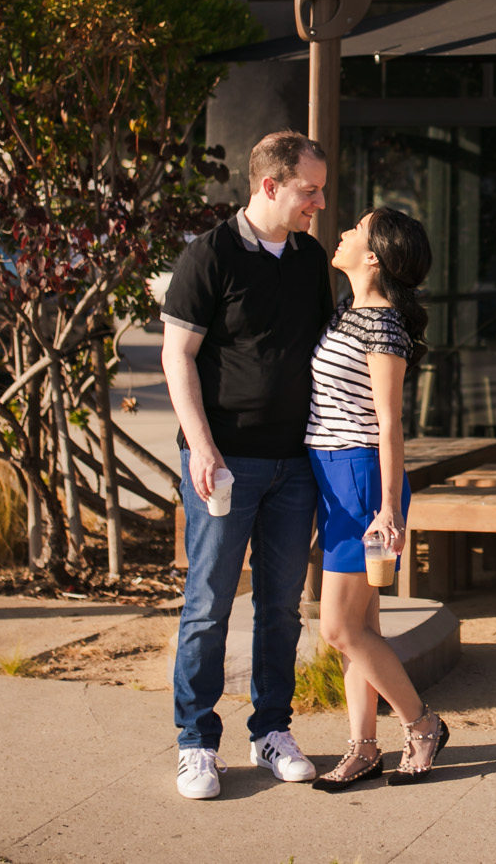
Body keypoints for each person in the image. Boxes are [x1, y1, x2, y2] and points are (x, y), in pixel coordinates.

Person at [161, 131, 329, 800]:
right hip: (225, 463)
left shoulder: (312, 258)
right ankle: (197, 743)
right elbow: (177, 357)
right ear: (269, 185)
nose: (319, 200)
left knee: (281, 609)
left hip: (295, 465)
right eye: (308, 189)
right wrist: (202, 448)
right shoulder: (209, 255)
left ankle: (271, 731)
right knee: (206, 607)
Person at [308, 206, 452, 789]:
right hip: (334, 475)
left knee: (338, 628)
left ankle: (422, 724)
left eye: (354, 231)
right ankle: (363, 748)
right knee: (361, 628)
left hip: (363, 479)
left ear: (372, 257)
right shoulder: (350, 313)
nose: (340, 234)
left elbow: (390, 426)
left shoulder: (382, 326)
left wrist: (388, 507)